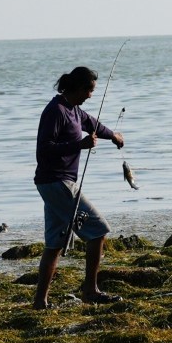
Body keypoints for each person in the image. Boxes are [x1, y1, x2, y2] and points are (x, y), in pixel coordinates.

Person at [31, 65, 123, 307]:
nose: (91, 95)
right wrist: (78, 146)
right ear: (78, 87)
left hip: (56, 184)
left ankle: (40, 302)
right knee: (98, 230)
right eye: (89, 90)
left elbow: (93, 124)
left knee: (54, 244)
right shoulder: (56, 110)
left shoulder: (74, 110)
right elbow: (44, 149)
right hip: (57, 182)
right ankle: (90, 291)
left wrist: (113, 135)